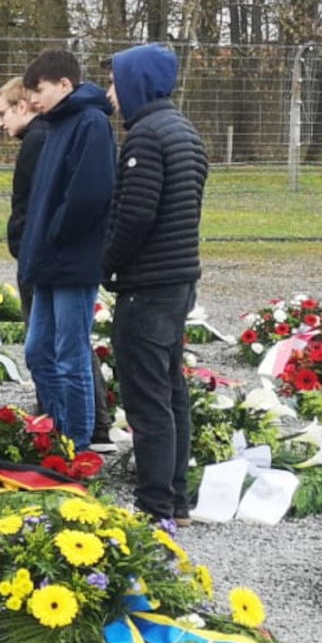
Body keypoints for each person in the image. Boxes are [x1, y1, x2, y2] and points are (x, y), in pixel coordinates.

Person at [105, 43, 209, 524]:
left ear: (136, 83)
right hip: (178, 279)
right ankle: (176, 498)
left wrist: (106, 264)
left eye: (115, 82)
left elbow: (136, 216)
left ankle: (153, 505)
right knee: (170, 393)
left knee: (147, 399)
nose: (112, 93)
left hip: (148, 285)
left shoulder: (146, 137)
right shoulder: (185, 130)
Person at [0, 76, 114, 447]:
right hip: (46, 260)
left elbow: (88, 195)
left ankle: (79, 440)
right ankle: (55, 431)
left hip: (69, 261)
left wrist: (52, 233)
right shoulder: (55, 126)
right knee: (38, 350)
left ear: (62, 84)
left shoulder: (90, 123)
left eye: (37, 94)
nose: (33, 102)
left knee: (71, 352)